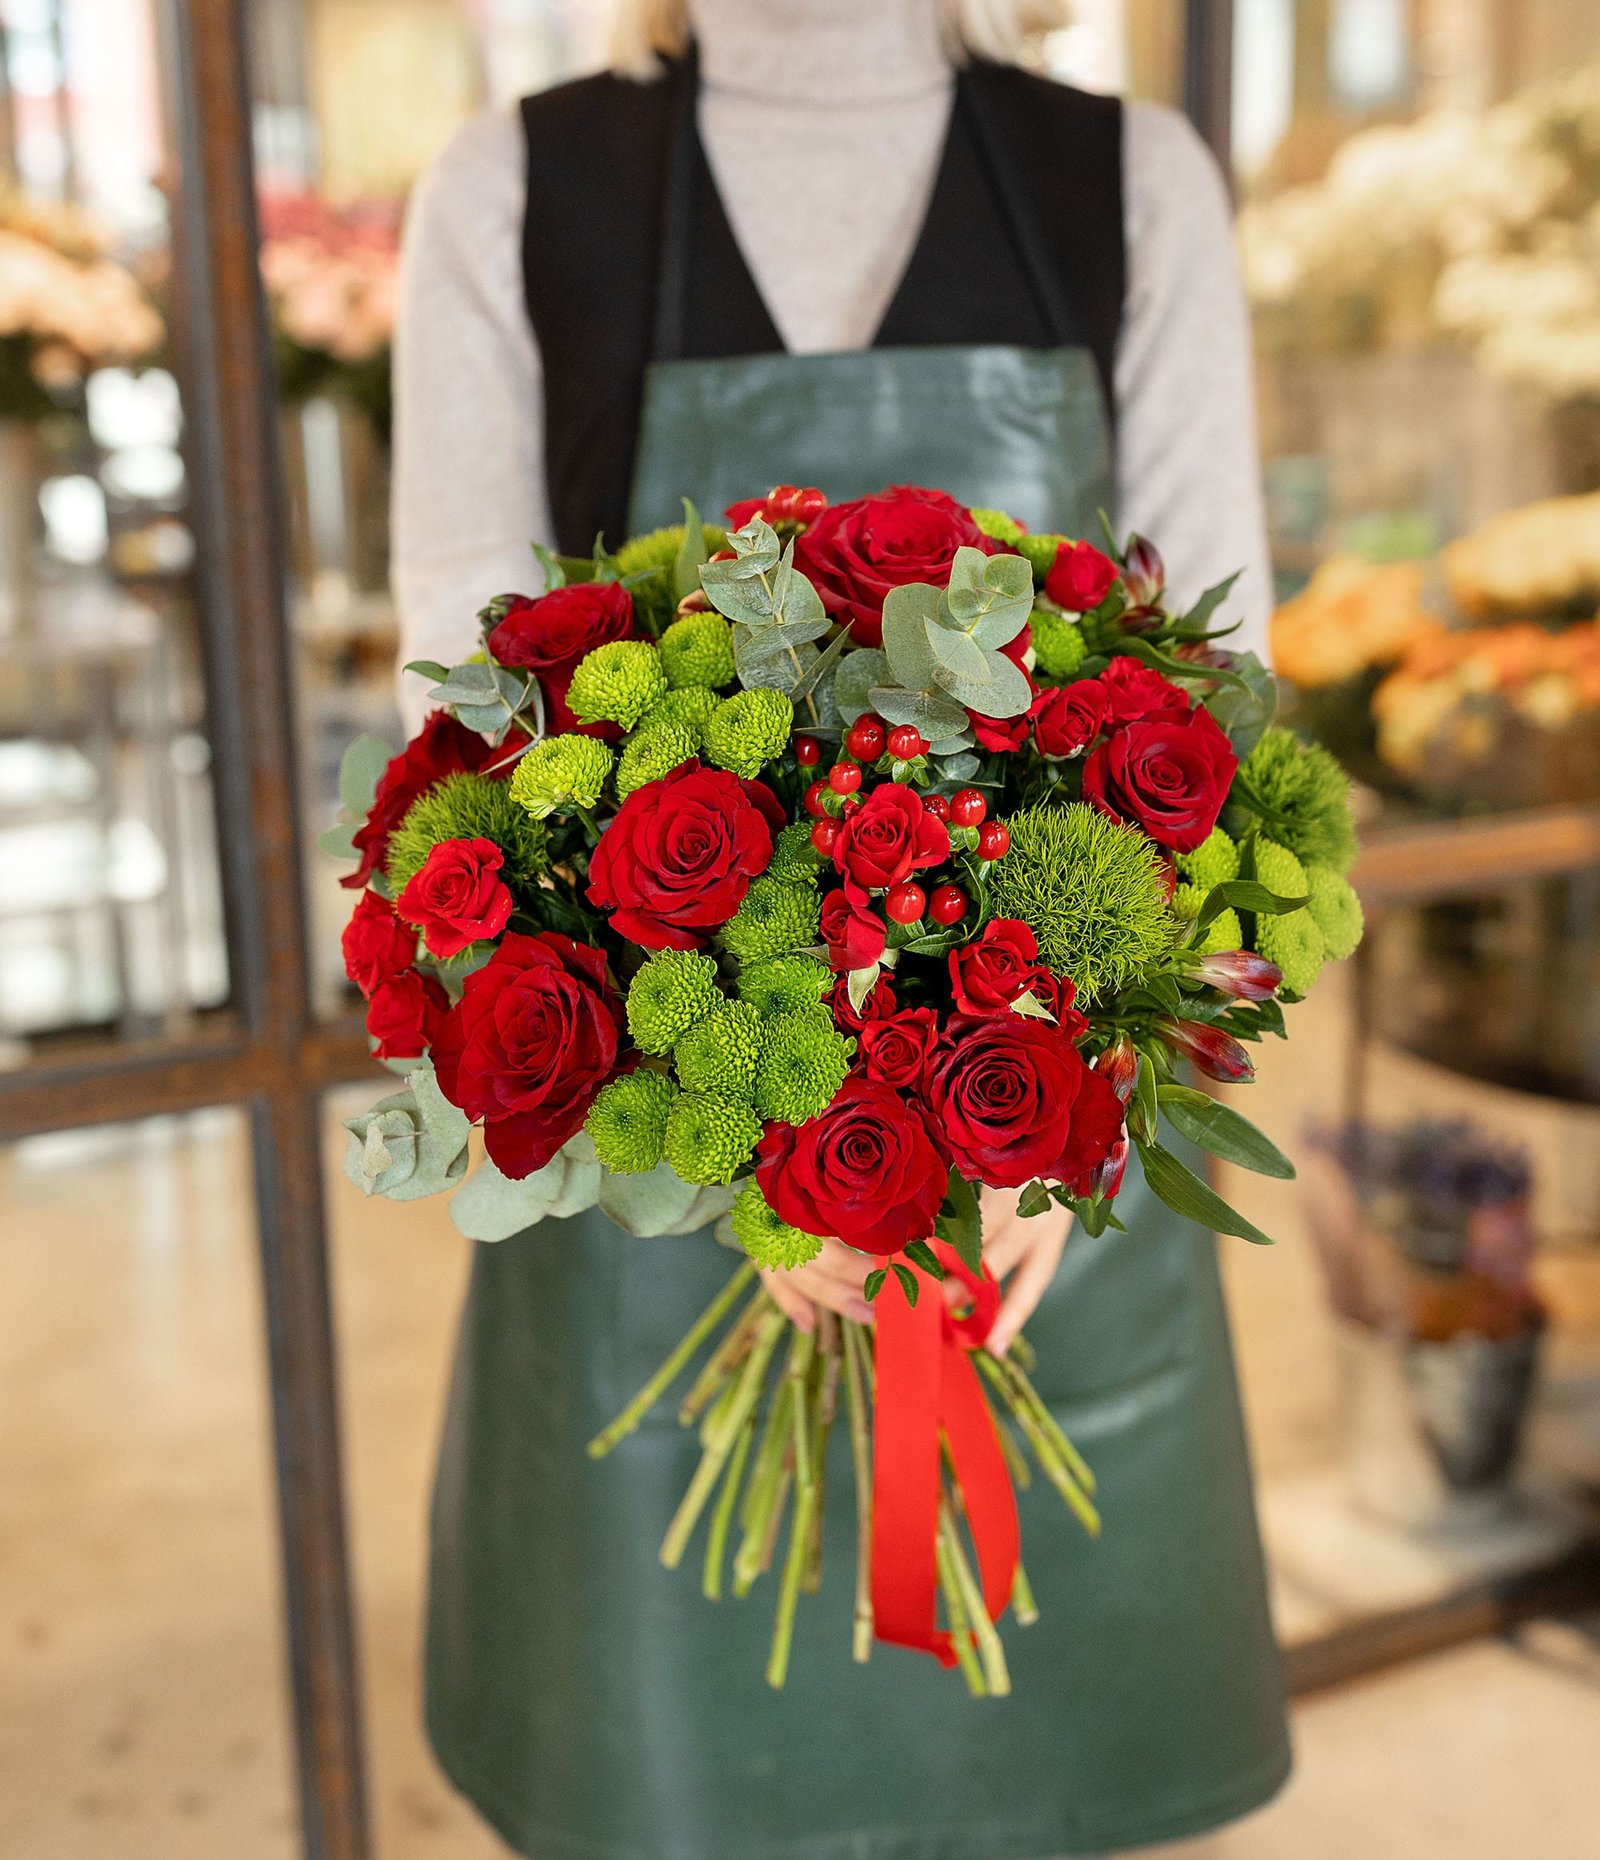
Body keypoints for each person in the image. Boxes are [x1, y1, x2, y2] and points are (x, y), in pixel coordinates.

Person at [391, 3, 1290, 1856]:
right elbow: (468, 742)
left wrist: (1058, 1114)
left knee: (1048, 1771)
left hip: (1052, 1185)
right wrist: (763, 1169)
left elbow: (1219, 705)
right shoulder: (511, 193)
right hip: (659, 1174)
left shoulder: (1133, 185)